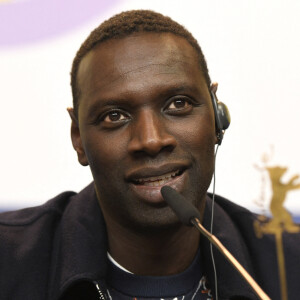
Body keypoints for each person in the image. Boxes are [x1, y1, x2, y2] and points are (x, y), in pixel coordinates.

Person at [0, 10, 299, 300]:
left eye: (178, 103)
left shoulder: (288, 266)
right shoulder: (9, 262)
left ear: (217, 118)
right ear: (78, 138)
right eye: (114, 116)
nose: (152, 140)